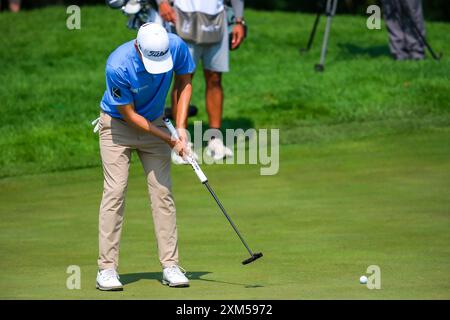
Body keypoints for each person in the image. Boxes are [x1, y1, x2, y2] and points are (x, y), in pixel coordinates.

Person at [95, 22, 195, 290]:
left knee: (163, 192)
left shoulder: (175, 46)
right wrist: (170, 139)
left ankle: (171, 266)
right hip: (117, 126)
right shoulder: (118, 65)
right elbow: (129, 115)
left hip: (156, 121)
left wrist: (181, 129)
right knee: (115, 191)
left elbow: (184, 82)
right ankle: (106, 269)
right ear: (138, 48)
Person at [156, 0, 246, 162]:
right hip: (183, 16)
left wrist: (239, 20)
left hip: (217, 19)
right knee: (183, 78)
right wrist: (162, 2)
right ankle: (180, 142)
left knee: (215, 78)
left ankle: (215, 139)